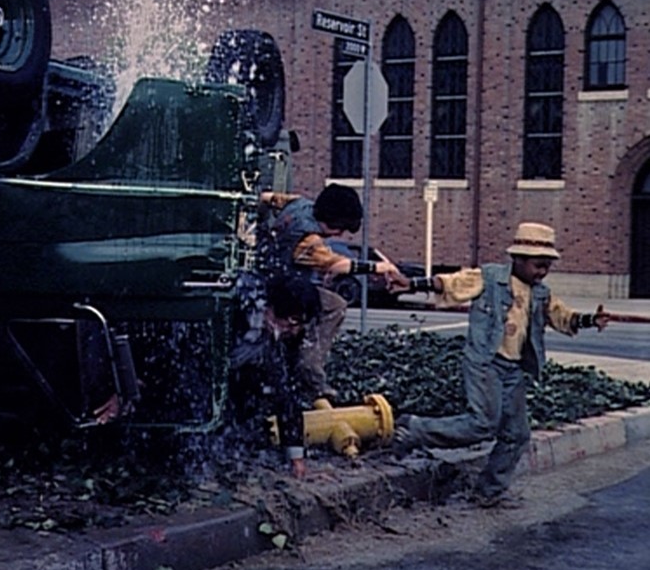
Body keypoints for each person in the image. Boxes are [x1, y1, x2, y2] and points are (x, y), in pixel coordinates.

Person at [387, 222, 610, 508]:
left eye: (547, 267)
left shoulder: (541, 293)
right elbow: (452, 283)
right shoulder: (490, 278)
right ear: (517, 259)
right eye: (537, 265)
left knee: (517, 435)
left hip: (513, 369)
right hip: (485, 362)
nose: (542, 272)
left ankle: (488, 492)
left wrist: (591, 320)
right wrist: (413, 284)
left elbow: (561, 316)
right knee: (482, 424)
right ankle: (414, 429)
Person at [259, 184, 398, 399]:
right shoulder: (308, 240)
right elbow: (335, 265)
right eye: (340, 228)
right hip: (283, 290)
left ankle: (294, 355)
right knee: (335, 306)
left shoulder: (298, 203)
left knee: (314, 301)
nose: (341, 234)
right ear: (332, 220)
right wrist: (378, 267)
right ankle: (310, 370)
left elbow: (267, 198)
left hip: (270, 278)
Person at [230, 273, 322, 479]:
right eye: (293, 320)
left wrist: (295, 455)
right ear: (270, 310)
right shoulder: (236, 314)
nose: (295, 329)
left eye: (300, 324)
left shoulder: (286, 336)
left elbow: (288, 389)